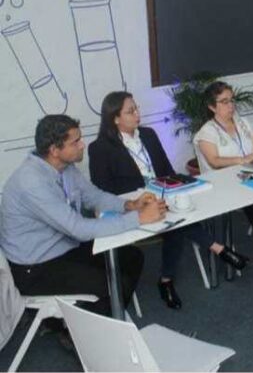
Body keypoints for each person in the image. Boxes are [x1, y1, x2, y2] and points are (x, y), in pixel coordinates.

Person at [88, 91, 248, 310]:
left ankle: (171, 278)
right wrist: (140, 195)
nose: (137, 113)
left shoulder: (148, 134)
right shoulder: (99, 148)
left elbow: (166, 170)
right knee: (176, 222)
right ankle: (211, 253)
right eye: (131, 111)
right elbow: (103, 189)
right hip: (133, 204)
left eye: (137, 108)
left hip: (164, 194)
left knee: (178, 214)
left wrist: (175, 186)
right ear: (115, 118)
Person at [0, 115, 164, 318]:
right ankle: (80, 333)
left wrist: (129, 205)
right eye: (75, 142)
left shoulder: (64, 167)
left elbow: (93, 196)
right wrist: (139, 219)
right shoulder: (31, 182)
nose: (82, 145)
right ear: (54, 150)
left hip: (64, 248)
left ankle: (93, 321)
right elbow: (78, 228)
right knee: (114, 283)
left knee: (132, 257)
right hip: (35, 267)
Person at [194, 81, 253, 269]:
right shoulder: (206, 132)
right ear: (212, 107)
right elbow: (214, 161)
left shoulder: (243, 123)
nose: (231, 105)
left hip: (250, 175)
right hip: (223, 182)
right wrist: (243, 159)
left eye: (232, 100)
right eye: (224, 102)